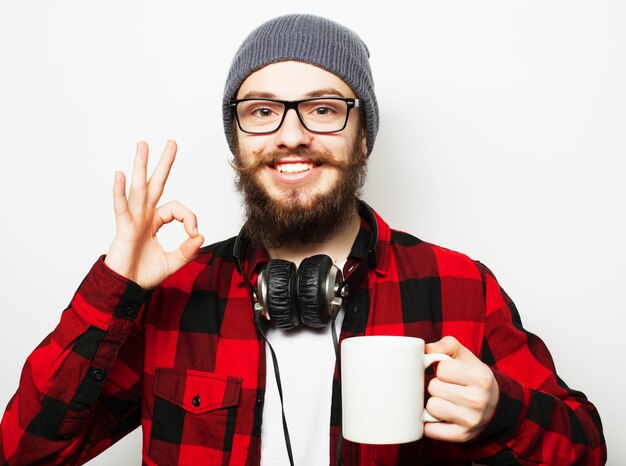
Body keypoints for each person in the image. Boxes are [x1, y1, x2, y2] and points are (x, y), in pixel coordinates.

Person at [0, 14, 606, 466]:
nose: (290, 135)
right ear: (237, 140)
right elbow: (26, 452)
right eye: (261, 111)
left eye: (321, 108)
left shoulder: (459, 288)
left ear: (363, 136)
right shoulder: (175, 295)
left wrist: (500, 414)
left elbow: (587, 450)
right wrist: (118, 285)